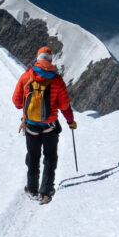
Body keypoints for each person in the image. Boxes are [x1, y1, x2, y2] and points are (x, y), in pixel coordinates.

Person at [12, 46, 75, 204]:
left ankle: (32, 189)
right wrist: (70, 121)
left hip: (31, 126)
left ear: (38, 57)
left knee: (33, 157)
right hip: (50, 126)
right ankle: (46, 191)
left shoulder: (27, 76)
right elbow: (65, 105)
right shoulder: (56, 79)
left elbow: (16, 102)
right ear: (50, 59)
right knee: (50, 157)